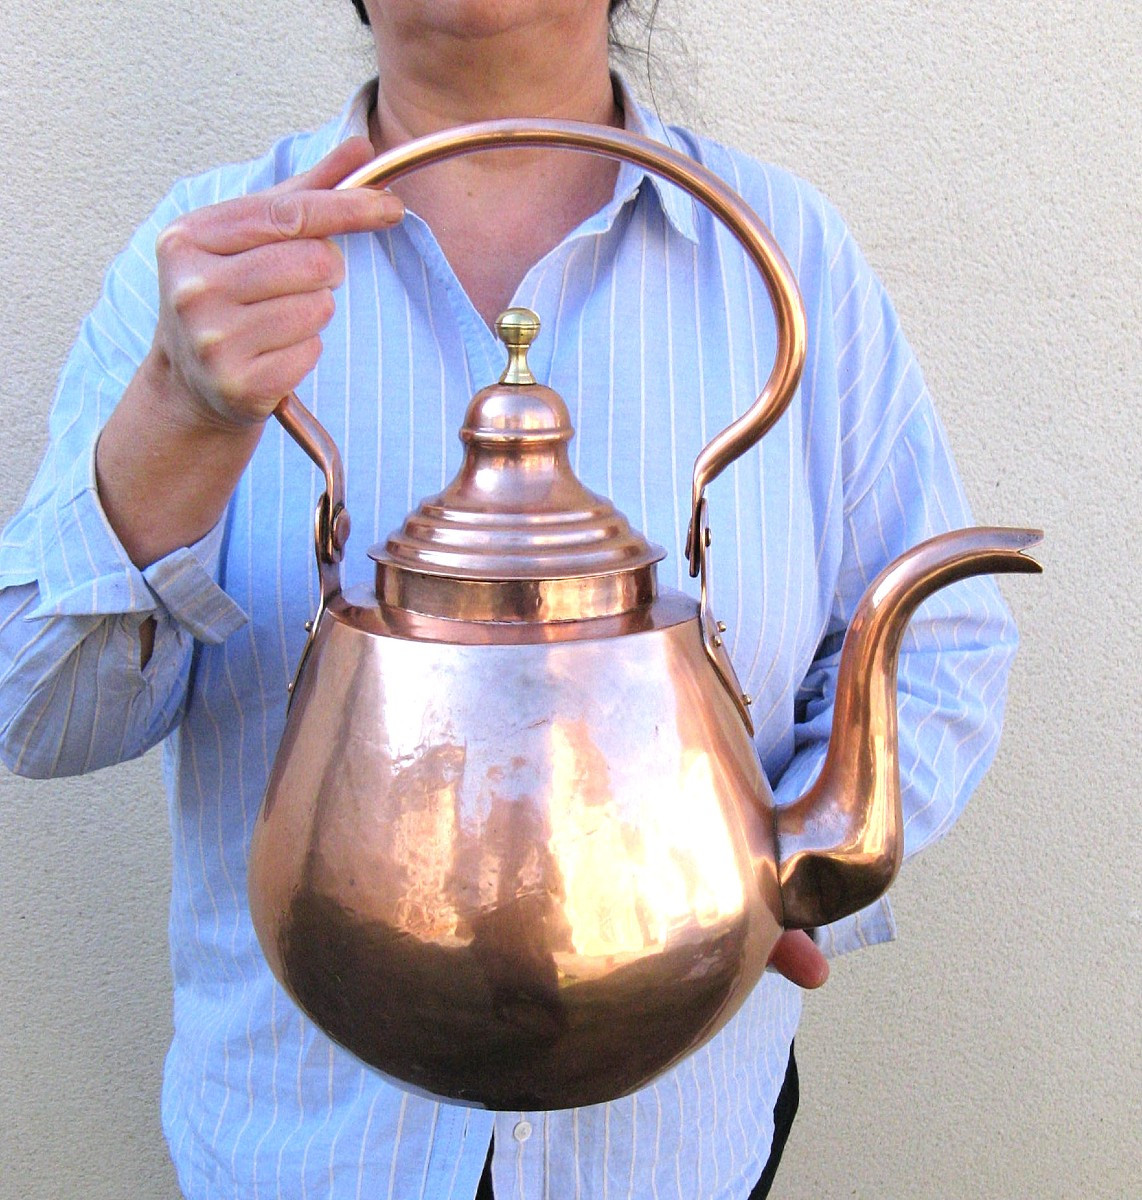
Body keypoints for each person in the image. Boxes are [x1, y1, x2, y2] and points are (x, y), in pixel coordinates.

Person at [0, 1, 1018, 1196]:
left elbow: (937, 637)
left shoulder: (784, 254)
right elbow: (41, 718)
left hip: (676, 1134)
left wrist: (768, 884)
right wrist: (181, 414)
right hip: (310, 1143)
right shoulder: (206, 264)